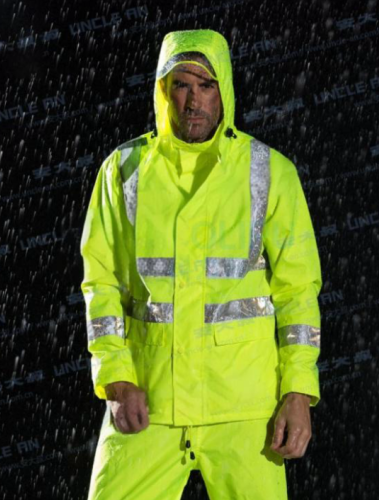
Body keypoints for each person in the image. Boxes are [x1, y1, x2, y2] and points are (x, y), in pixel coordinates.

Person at [80, 28, 322, 500]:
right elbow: (100, 282)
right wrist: (115, 378)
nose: (193, 101)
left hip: (244, 409)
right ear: (163, 91)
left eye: (206, 85)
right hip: (149, 401)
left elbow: (298, 292)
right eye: (181, 85)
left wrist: (298, 391)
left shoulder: (269, 171)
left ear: (224, 89)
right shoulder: (124, 170)